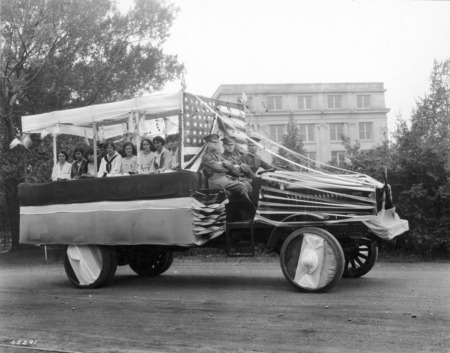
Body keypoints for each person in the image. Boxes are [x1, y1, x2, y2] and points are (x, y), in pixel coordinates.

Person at [201, 134, 254, 208]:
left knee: (247, 185)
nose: (216, 144)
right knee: (241, 186)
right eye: (214, 142)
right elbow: (219, 168)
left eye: (217, 142)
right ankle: (250, 207)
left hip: (225, 178)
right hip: (216, 180)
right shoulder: (206, 156)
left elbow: (228, 166)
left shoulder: (218, 155)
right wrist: (225, 165)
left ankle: (248, 207)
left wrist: (224, 164)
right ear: (208, 144)